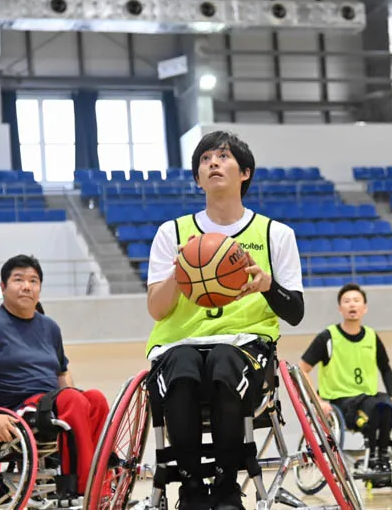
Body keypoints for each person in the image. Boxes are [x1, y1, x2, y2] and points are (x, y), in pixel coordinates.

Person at [145, 131, 304, 510]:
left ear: (245, 173)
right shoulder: (172, 233)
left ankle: (228, 485)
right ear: (198, 179)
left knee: (222, 362)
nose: (212, 163)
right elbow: (156, 308)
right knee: (183, 366)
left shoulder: (275, 234)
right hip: (178, 345)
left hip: (245, 347)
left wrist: (267, 286)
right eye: (204, 160)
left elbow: (295, 312)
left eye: (222, 157)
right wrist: (179, 272)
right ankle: (191, 488)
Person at [0, 254, 109, 497]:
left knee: (95, 399)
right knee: (72, 401)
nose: (26, 286)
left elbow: (62, 371)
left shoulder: (50, 327)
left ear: (39, 290)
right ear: (3, 288)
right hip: (14, 410)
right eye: (18, 279)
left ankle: (105, 478)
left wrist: (73, 396)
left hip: (49, 403)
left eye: (33, 281)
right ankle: (85, 489)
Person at [298, 283, 392, 472]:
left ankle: (384, 457)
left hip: (369, 398)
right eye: (347, 301)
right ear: (340, 308)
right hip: (341, 402)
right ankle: (377, 458)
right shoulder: (328, 337)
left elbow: (385, 368)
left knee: (388, 405)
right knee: (376, 407)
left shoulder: (371, 336)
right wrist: (317, 400)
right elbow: (302, 369)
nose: (352, 305)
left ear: (364, 308)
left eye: (356, 301)